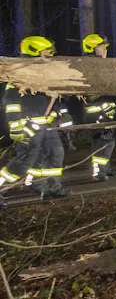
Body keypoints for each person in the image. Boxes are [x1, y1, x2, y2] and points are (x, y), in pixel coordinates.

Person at [0, 37, 72, 203]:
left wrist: (62, 112)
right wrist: (16, 126)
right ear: (33, 51)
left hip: (47, 125)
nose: (48, 55)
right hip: (29, 127)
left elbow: (51, 98)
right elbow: (10, 103)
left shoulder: (43, 74)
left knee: (55, 153)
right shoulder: (20, 74)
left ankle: (50, 188)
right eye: (45, 52)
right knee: (25, 161)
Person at [81, 34, 116, 181]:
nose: (105, 50)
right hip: (97, 114)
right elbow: (92, 94)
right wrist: (105, 108)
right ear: (91, 48)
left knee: (108, 141)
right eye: (101, 47)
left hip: (105, 112)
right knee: (103, 142)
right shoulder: (91, 66)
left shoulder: (99, 64)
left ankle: (105, 168)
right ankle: (98, 172)